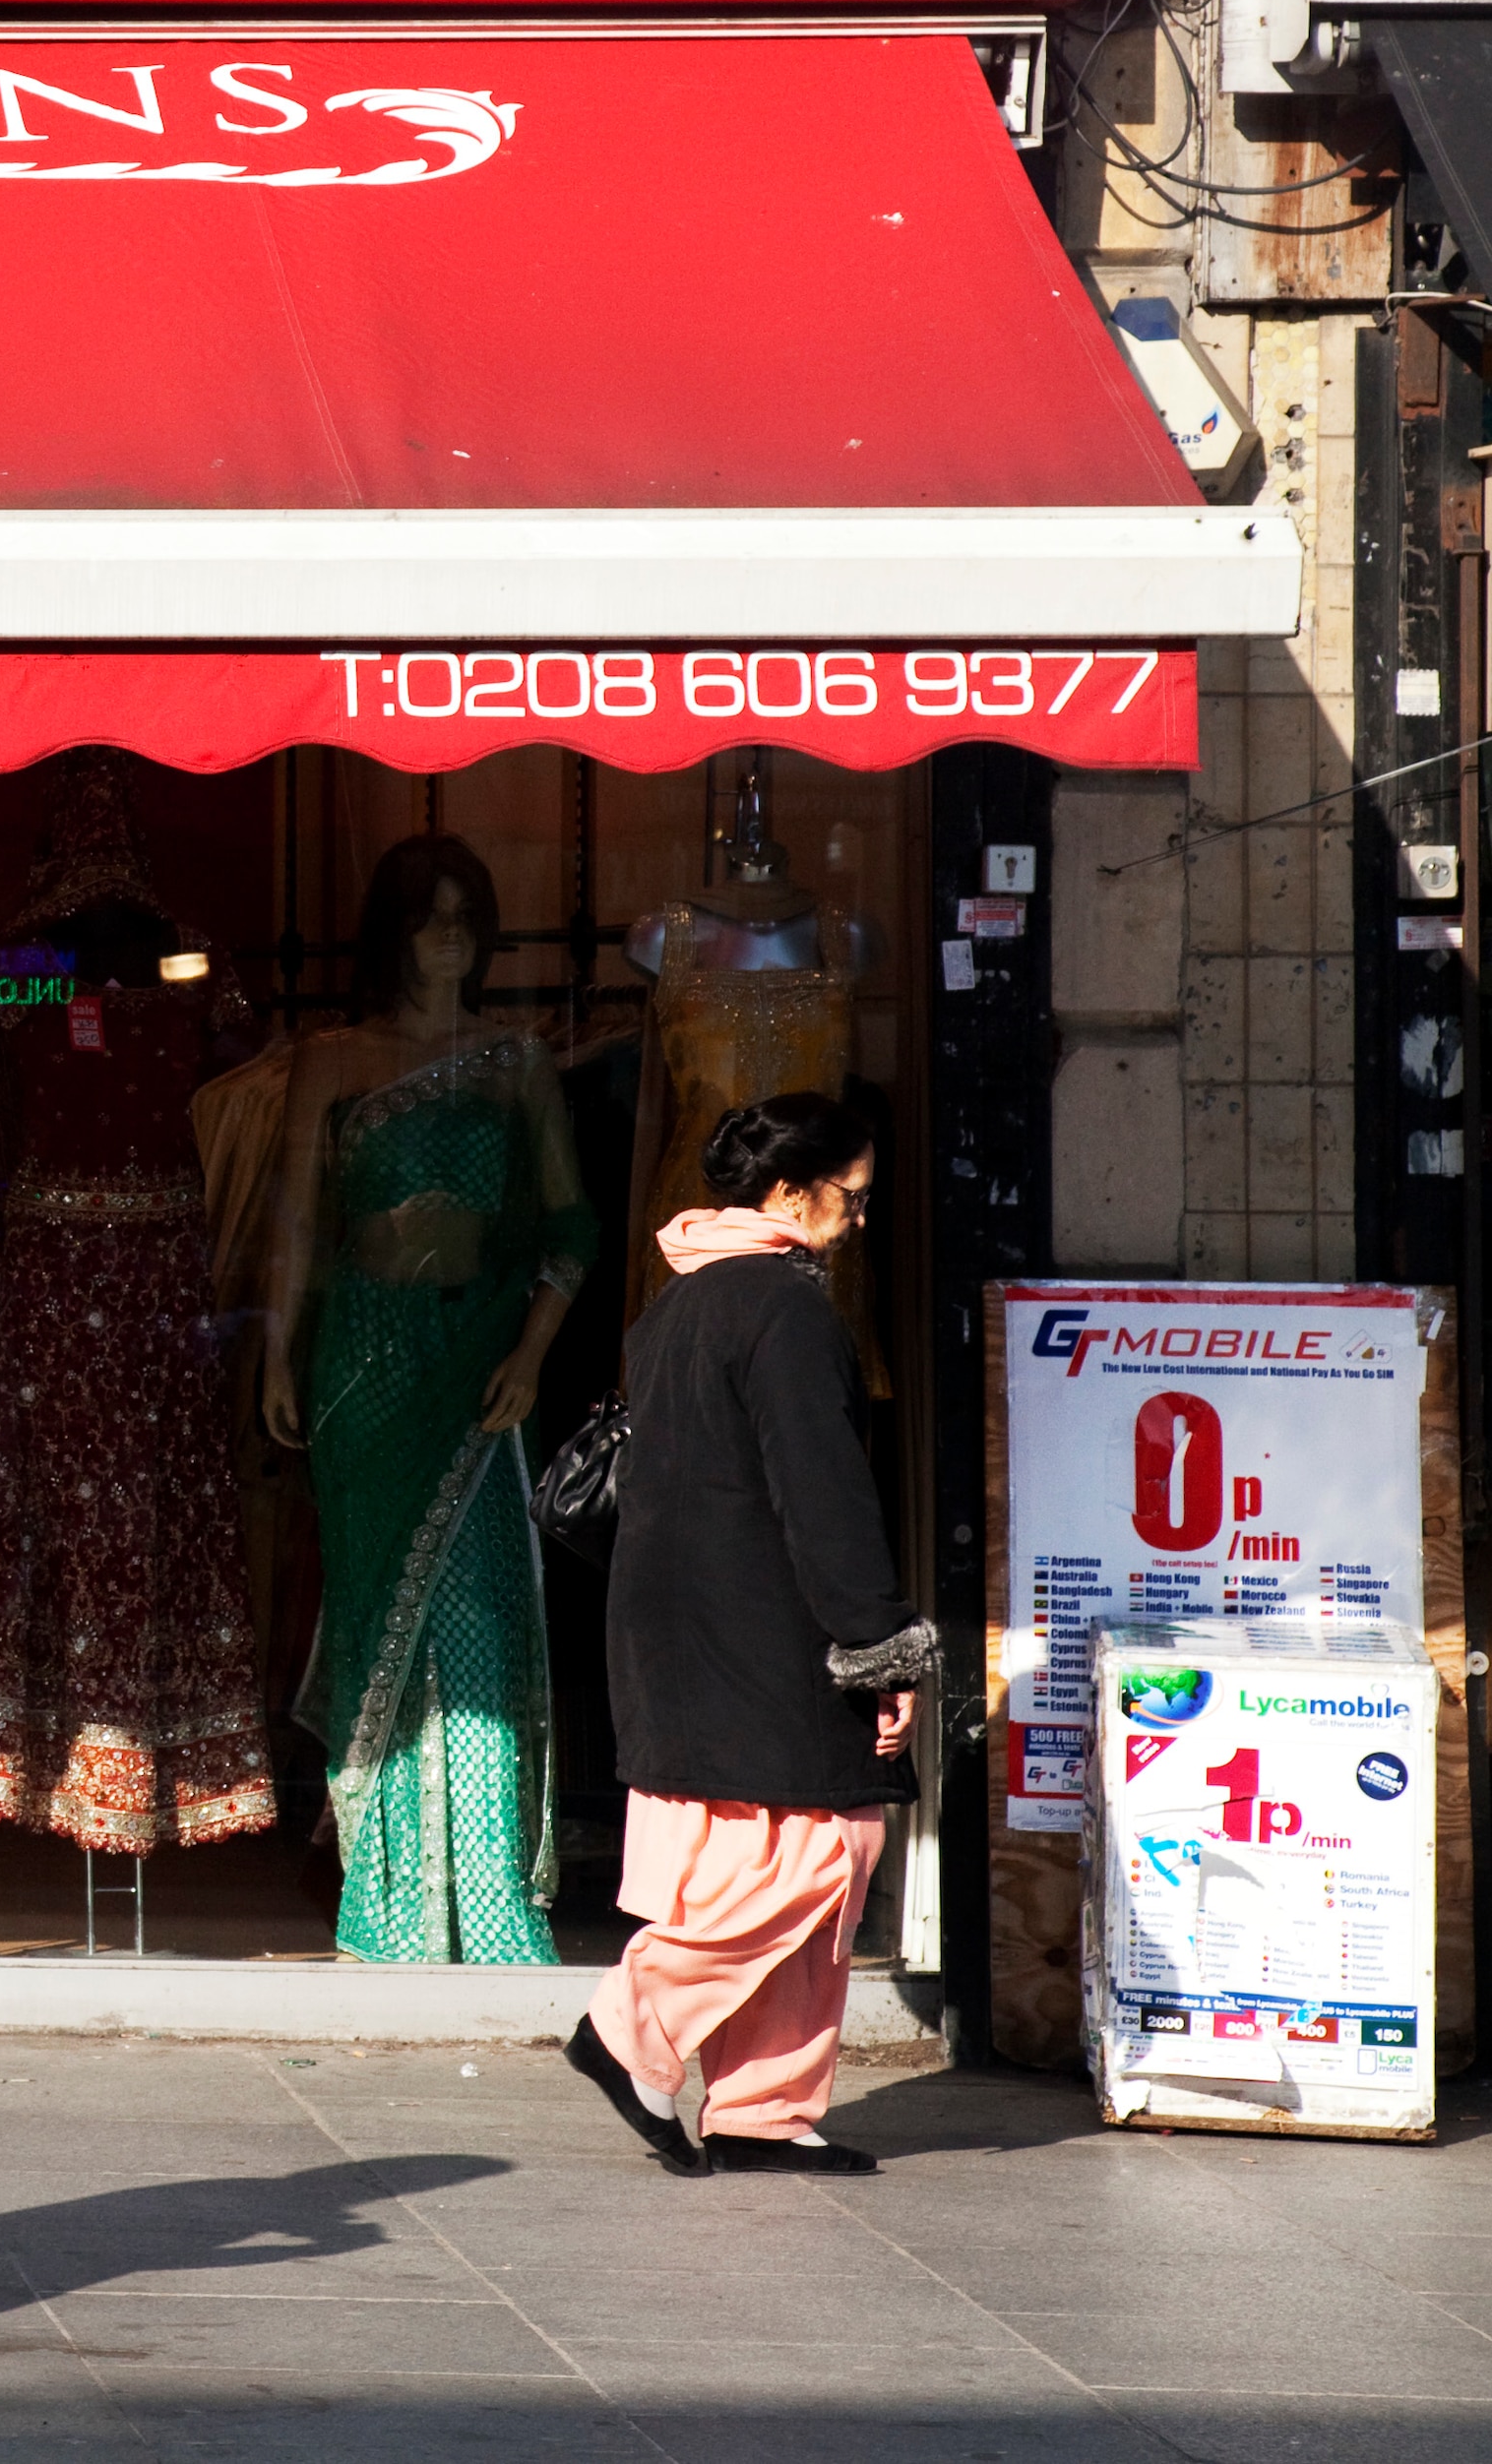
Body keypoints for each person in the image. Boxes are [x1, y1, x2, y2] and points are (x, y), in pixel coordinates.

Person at [565, 1090, 934, 2180]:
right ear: (787, 1191)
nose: (859, 1219)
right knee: (823, 1853)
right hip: (759, 1627)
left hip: (680, 1623)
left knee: (750, 1852)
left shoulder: (676, 1303)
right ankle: (630, 2023)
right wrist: (876, 1642)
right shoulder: (781, 1311)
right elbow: (821, 1496)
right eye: (850, 1197)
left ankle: (759, 2112)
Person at [263, 838, 591, 1965]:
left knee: (483, 1621)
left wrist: (534, 1351)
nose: (447, 937)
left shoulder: (514, 1062)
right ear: (391, 933)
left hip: (480, 1363)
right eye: (426, 918)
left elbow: (568, 1227)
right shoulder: (332, 1060)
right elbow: (297, 1227)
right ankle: (389, 1903)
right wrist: (273, 1355)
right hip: (363, 1366)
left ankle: (491, 1901)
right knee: (373, 1624)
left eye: (465, 917)